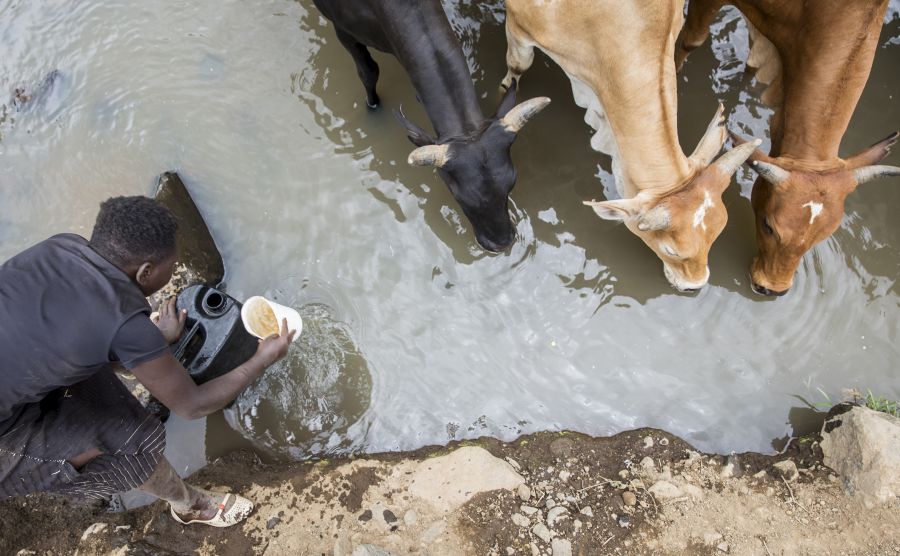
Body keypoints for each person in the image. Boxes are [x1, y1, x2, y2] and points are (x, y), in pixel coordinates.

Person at [0, 195, 295, 527]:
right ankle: (190, 506)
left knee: (98, 390)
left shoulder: (62, 247)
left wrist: (148, 343)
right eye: (172, 264)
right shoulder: (124, 323)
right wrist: (261, 359)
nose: (173, 269)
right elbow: (193, 406)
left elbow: (67, 331)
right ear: (146, 272)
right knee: (132, 443)